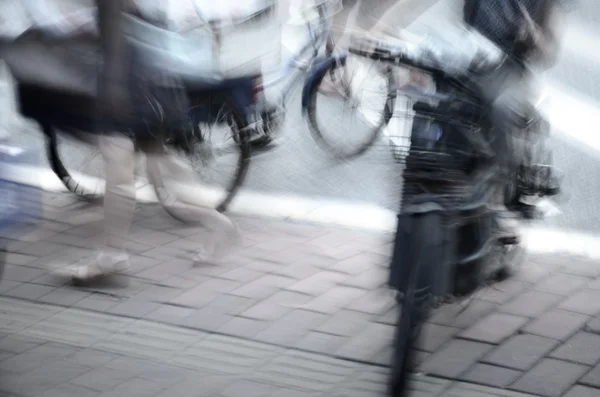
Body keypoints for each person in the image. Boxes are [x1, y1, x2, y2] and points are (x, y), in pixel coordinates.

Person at [62, 0, 240, 281]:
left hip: (127, 84)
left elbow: (116, 26)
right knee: (159, 177)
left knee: (121, 169)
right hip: (151, 82)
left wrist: (114, 89)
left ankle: (113, 256)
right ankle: (220, 226)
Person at [463, 0, 568, 238]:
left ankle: (497, 203)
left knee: (503, 108)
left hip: (515, 70)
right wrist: (373, 27)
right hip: (471, 61)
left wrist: (533, 37)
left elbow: (548, 50)